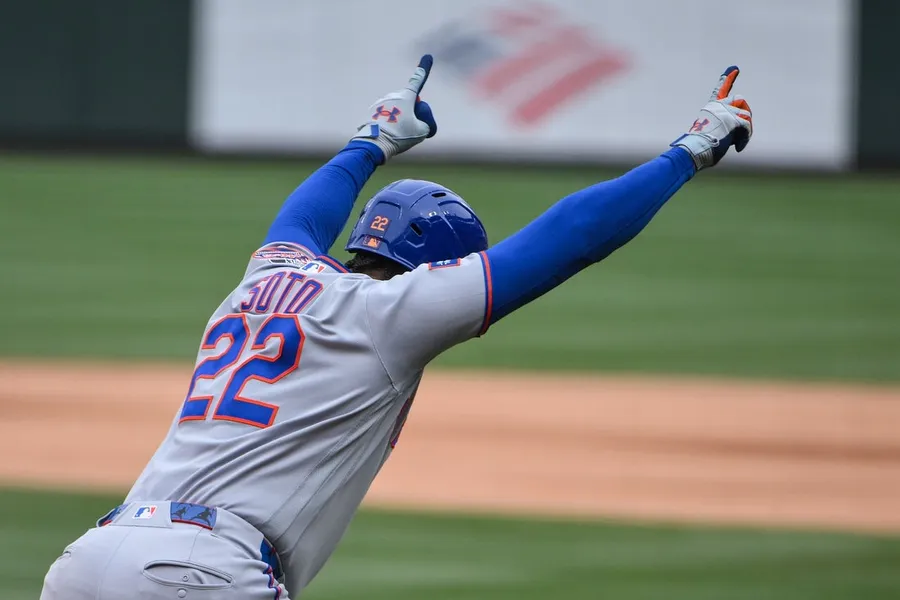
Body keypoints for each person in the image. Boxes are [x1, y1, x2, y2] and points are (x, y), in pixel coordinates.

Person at [41, 55, 752, 599]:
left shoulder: (260, 282)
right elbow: (571, 237)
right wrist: (686, 154)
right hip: (200, 574)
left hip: (88, 559)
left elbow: (301, 219)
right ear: (435, 270)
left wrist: (370, 141)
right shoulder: (393, 314)